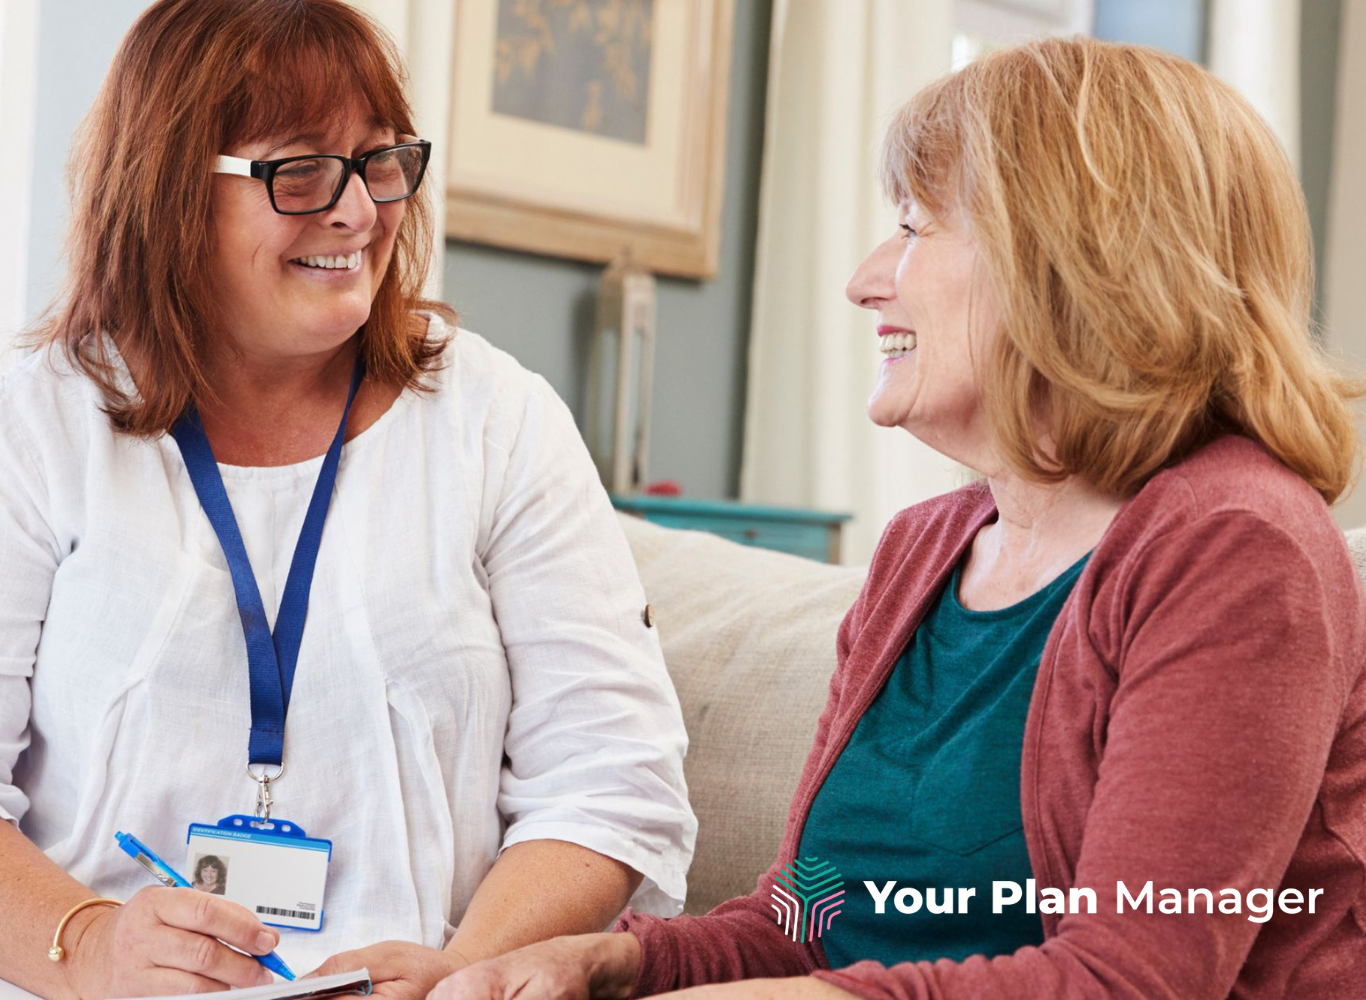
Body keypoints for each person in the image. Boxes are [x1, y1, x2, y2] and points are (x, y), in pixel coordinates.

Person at [428, 35, 1366, 1000]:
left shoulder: (1237, 547)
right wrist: (619, 960)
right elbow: (817, 912)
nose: (868, 278)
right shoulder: (922, 552)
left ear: (1073, 261)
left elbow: (1130, 980)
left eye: (916, 227)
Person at [0, 1, 695, 997]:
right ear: (169, 191)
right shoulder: (33, 432)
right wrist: (89, 946)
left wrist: (464, 972)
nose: (357, 213)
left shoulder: (499, 422)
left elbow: (610, 782)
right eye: (299, 171)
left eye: (379, 161)